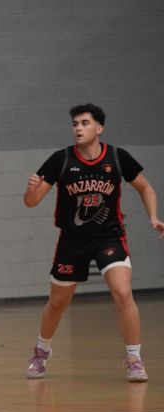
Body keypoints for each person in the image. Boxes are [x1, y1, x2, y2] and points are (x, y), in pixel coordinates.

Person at [23, 103, 164, 382]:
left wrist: (153, 216)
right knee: (57, 303)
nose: (78, 128)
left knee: (123, 293)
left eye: (85, 123)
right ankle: (41, 351)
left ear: (99, 128)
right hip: (72, 240)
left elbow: (145, 187)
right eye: (75, 124)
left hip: (108, 236)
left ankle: (134, 358)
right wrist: (30, 191)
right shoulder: (60, 159)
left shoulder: (117, 157)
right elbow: (31, 203)